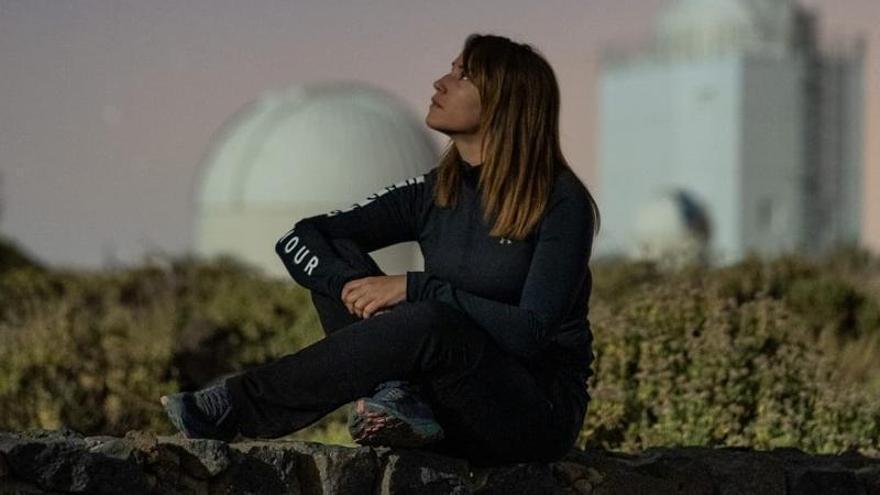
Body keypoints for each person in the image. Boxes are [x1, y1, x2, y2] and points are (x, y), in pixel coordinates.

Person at [162, 32, 600, 467]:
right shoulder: (434, 193)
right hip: (446, 405)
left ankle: (235, 405)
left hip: (534, 415)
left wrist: (418, 289)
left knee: (432, 320)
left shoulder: (559, 201)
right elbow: (300, 238)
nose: (440, 83)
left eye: (462, 75)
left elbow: (531, 332)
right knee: (340, 272)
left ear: (505, 101)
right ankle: (395, 398)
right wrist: (351, 285)